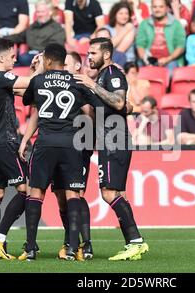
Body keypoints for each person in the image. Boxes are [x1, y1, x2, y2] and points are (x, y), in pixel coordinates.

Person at [74, 37, 149, 261]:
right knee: (116, 193)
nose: (89, 57)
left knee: (108, 193)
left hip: (114, 141)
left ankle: (135, 241)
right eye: (88, 53)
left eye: (93, 53)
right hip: (109, 141)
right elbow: (121, 106)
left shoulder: (113, 75)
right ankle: (133, 243)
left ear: (106, 55)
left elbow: (118, 103)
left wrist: (91, 85)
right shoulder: (102, 77)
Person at [18, 43, 95, 261]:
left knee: (36, 193)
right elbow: (93, 106)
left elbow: (27, 101)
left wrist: (37, 72)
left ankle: (31, 248)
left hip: (45, 143)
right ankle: (72, 248)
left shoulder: (39, 80)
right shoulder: (76, 81)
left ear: (49, 61)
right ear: (64, 61)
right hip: (71, 144)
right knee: (72, 194)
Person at [0, 38, 43, 260]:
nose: (15, 58)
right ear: (0, 58)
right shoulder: (0, 77)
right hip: (4, 142)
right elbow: (30, 83)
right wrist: (39, 70)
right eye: (12, 56)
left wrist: (32, 72)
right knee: (26, 190)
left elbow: (19, 90)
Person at [5, 0, 65, 67]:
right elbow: (19, 37)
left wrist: (40, 54)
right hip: (30, 56)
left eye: (42, 12)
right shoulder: (32, 27)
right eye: (38, 12)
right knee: (11, 61)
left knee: (23, 58)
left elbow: (56, 48)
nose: (40, 14)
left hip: (47, 57)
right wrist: (1, 39)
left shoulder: (57, 28)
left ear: (50, 12)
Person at [136, 0, 186, 72]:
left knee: (170, 74)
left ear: (166, 8)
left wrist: (167, 59)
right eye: (155, 7)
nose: (158, 9)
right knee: (137, 73)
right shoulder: (144, 24)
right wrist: (146, 60)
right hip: (148, 59)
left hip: (170, 60)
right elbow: (140, 44)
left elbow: (180, 46)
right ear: (151, 8)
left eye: (161, 7)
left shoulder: (176, 24)